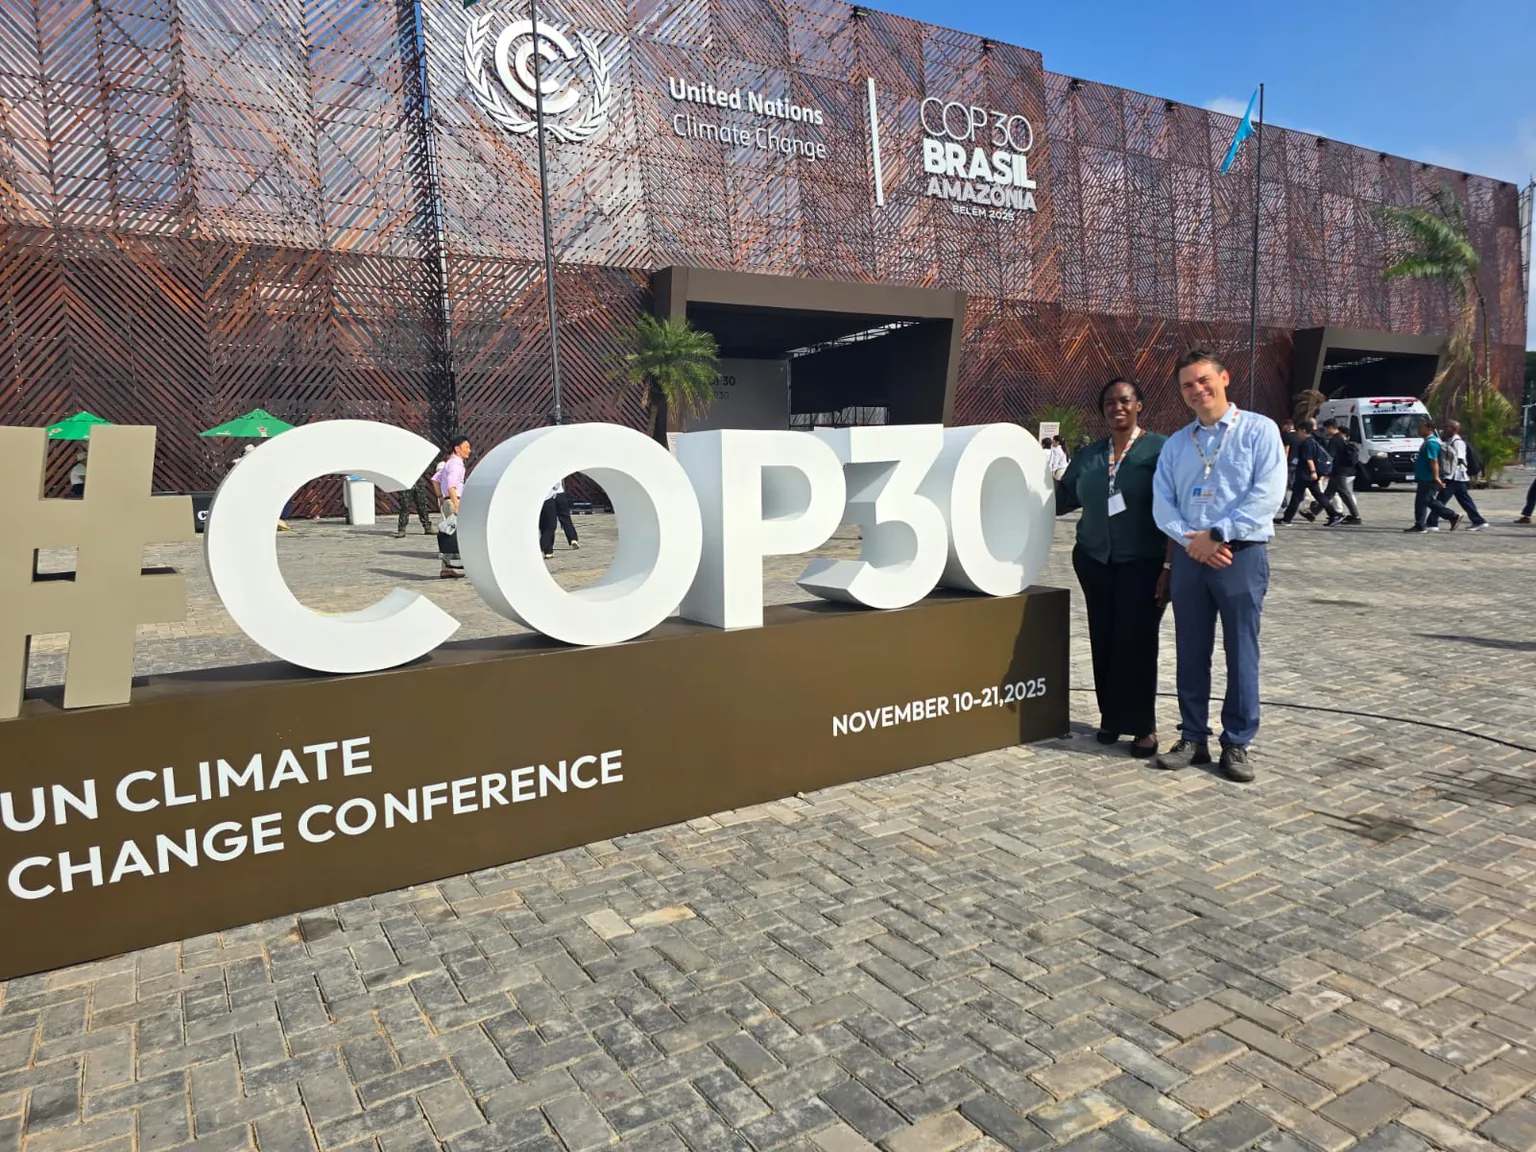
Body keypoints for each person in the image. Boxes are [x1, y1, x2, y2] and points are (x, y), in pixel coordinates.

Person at [1151, 348, 1286, 783]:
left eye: (1204, 380)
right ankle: (1192, 735)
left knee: (1241, 650)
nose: (1197, 390)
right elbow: (1162, 503)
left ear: (1224, 378)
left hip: (1239, 556)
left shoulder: (1258, 431)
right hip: (1191, 555)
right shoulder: (1176, 444)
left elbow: (1267, 493)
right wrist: (1195, 541)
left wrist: (1220, 534)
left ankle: (1237, 741)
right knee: (1191, 650)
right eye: (1188, 385)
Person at [1055, 378, 1173, 758]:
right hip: (1095, 560)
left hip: (1143, 562)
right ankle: (1111, 717)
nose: (1116, 407)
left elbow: (1176, 510)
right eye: (1109, 402)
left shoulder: (1161, 450)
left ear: (1140, 404)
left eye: (1124, 400)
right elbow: (1062, 498)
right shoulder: (1090, 454)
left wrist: (1170, 566)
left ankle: (1143, 727)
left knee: (1136, 642)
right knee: (1103, 636)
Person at [1426, 419, 1487, 532]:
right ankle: (1478, 521)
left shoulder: (1458, 442)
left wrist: (1446, 474)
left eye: (1447, 427)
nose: (1444, 429)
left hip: (1455, 476)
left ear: (1453, 429)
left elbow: (1458, 460)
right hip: (1457, 477)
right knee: (1464, 501)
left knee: (1440, 500)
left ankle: (1432, 523)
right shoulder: (1450, 441)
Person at [1404, 417, 1460, 533]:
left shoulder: (1432, 443)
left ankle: (1452, 516)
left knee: (1428, 500)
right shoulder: (1428, 442)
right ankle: (1420, 525)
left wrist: (1436, 477)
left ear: (1429, 428)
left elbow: (1433, 461)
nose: (1418, 430)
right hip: (1424, 477)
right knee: (1422, 501)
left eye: (1421, 428)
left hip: (1429, 478)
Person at [1277, 419, 1337, 526]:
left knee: (1297, 497)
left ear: (1304, 431)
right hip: (1308, 475)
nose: (1298, 433)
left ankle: (1287, 519)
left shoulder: (1307, 443)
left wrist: (1313, 471)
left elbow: (1309, 459)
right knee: (1317, 496)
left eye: (1299, 431)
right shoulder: (1312, 441)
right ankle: (1334, 515)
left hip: (1305, 474)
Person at [433, 435, 471, 578]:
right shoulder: (456, 464)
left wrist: (440, 498)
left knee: (450, 532)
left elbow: (435, 479)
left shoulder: (448, 463)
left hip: (448, 500)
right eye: (466, 447)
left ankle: (446, 567)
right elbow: (451, 485)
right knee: (457, 534)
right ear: (457, 448)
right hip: (456, 500)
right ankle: (453, 566)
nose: (469, 450)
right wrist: (456, 504)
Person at [1311, 420, 1362, 525]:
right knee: (1329, 493)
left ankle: (1356, 516)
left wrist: (1326, 471)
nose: (1324, 431)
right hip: (1340, 470)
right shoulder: (1340, 437)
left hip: (1339, 471)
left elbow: (1330, 457)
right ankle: (1314, 513)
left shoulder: (1335, 439)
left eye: (1325, 429)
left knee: (1344, 494)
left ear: (1330, 428)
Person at [394, 463, 435, 539]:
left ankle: (427, 527)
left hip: (418, 482)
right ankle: (401, 529)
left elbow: (426, 469)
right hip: (405, 482)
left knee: (422, 506)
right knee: (405, 506)